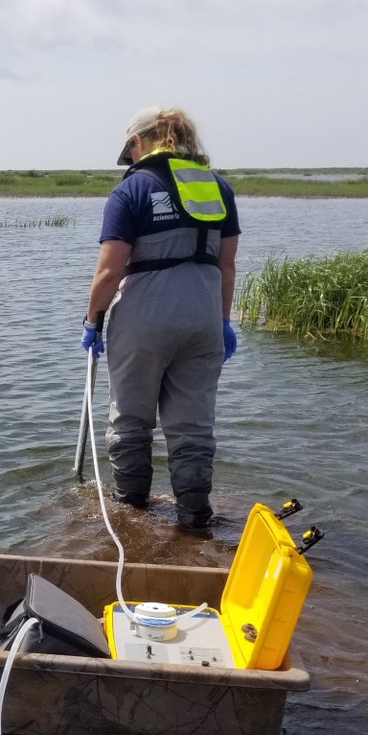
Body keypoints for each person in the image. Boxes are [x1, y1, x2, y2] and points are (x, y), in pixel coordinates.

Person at [81, 106, 240, 528]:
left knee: (131, 419)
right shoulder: (219, 189)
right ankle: (194, 520)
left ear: (138, 142)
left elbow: (109, 271)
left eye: (129, 151)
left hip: (145, 316)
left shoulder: (130, 192)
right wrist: (222, 322)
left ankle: (131, 518)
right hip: (204, 316)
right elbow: (227, 267)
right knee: (193, 428)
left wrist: (92, 321)